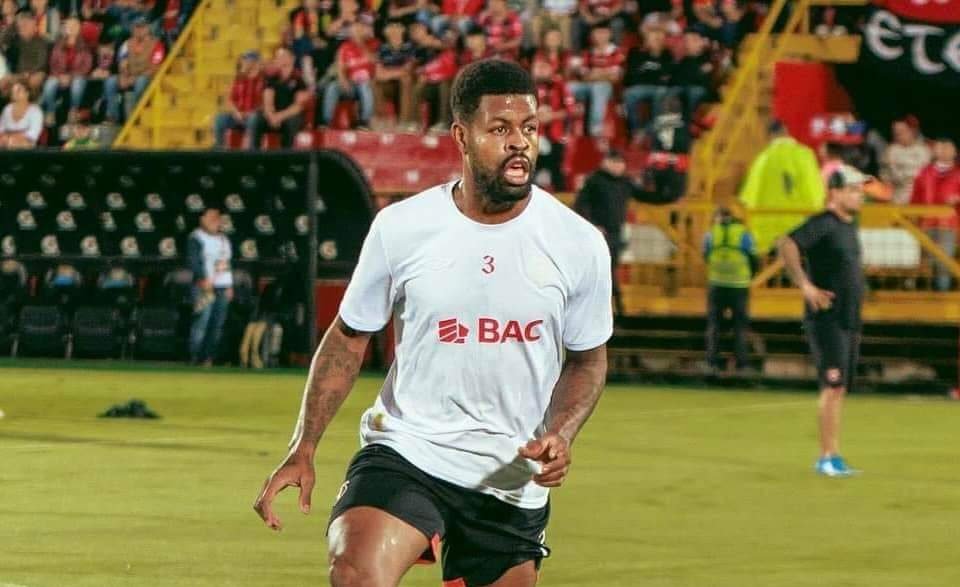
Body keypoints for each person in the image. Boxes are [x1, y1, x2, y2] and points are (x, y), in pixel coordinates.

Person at [254, 59, 613, 587]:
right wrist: (303, 445)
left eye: (529, 129)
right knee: (355, 573)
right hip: (408, 448)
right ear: (461, 137)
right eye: (500, 129)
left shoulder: (578, 243)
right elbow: (349, 338)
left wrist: (560, 434)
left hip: (511, 473)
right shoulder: (403, 227)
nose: (520, 143)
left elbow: (586, 359)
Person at [777, 164, 866, 477]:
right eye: (853, 191)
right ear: (836, 192)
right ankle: (826, 456)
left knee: (839, 389)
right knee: (832, 387)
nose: (859, 196)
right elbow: (787, 243)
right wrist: (805, 285)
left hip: (847, 318)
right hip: (827, 319)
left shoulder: (848, 225)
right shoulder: (824, 223)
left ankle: (834, 454)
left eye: (860, 191)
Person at [574, 149, 637, 315]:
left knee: (611, 269)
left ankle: (614, 308)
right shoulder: (594, 180)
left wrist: (668, 196)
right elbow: (580, 205)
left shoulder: (625, 182)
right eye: (614, 162)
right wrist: (593, 225)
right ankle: (612, 307)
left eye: (620, 163)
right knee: (601, 271)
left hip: (615, 233)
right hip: (598, 235)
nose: (618, 166)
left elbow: (644, 195)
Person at [703, 207, 758, 373]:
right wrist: (749, 275)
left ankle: (711, 363)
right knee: (740, 327)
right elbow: (753, 258)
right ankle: (742, 364)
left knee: (714, 325)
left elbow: (705, 255)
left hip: (716, 284)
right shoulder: (744, 234)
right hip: (739, 286)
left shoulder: (710, 234)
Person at [910, 137, 960, 291]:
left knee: (944, 265)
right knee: (926, 266)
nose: (944, 150)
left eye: (948, 147)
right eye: (941, 146)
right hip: (925, 225)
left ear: (955, 151)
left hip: (949, 226)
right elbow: (915, 199)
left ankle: (942, 304)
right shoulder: (924, 173)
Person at [186, 207, 234, 366]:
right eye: (211, 217)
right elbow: (193, 261)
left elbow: (226, 264)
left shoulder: (224, 240)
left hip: (222, 286)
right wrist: (202, 279)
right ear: (202, 219)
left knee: (217, 324)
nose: (215, 220)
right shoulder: (196, 238)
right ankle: (195, 356)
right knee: (202, 322)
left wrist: (229, 286)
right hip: (204, 286)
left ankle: (208, 358)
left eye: (217, 217)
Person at [104, 16, 165, 123]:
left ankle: (138, 115)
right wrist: (124, 76)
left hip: (148, 76)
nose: (139, 30)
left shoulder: (157, 45)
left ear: (147, 29)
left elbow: (155, 67)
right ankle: (113, 116)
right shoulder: (126, 44)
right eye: (136, 27)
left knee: (141, 82)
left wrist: (135, 79)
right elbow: (123, 63)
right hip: (130, 75)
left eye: (142, 27)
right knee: (111, 81)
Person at [321, 13, 376, 129]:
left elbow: (374, 61)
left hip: (367, 84)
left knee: (364, 85)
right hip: (351, 84)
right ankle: (326, 122)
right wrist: (343, 80)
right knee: (332, 87)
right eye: (353, 29)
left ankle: (364, 122)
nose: (355, 32)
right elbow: (339, 67)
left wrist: (360, 44)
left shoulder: (372, 44)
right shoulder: (344, 47)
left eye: (358, 29)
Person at [249, 46, 307, 149]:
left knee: (292, 121)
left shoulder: (299, 79)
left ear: (292, 58)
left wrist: (279, 116)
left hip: (289, 115)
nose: (281, 59)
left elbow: (298, 106)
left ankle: (286, 157)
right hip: (273, 115)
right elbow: (268, 100)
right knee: (255, 118)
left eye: (284, 56)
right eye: (278, 57)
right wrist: (271, 115)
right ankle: (253, 155)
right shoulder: (271, 77)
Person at [41, 16, 93, 125]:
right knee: (50, 85)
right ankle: (50, 112)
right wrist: (60, 76)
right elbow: (52, 63)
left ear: (79, 28)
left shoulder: (85, 45)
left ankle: (73, 111)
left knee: (78, 83)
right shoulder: (58, 44)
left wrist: (71, 77)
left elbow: (86, 66)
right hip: (59, 76)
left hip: (77, 76)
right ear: (64, 28)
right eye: (69, 26)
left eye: (75, 25)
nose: (72, 28)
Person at [212, 50, 264, 148]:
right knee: (219, 119)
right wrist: (237, 113)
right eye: (245, 61)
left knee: (254, 119)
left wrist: (250, 113)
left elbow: (264, 104)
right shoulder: (239, 78)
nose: (246, 64)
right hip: (238, 115)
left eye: (249, 61)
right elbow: (230, 100)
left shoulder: (263, 80)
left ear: (257, 63)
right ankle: (219, 149)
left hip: (253, 116)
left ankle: (252, 152)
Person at [880, 118, 930, 206]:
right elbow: (885, 176)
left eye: (902, 131)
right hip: (898, 199)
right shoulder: (890, 151)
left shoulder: (924, 150)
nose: (898, 134)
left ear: (913, 131)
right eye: (895, 132)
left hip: (920, 198)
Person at [0, 80, 43, 147]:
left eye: (18, 90)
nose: (14, 93)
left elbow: (33, 134)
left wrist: (13, 138)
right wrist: (7, 138)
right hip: (6, 142)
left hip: (27, 146)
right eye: (13, 91)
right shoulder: (7, 109)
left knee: (14, 144)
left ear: (27, 93)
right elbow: (1, 129)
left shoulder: (35, 111)